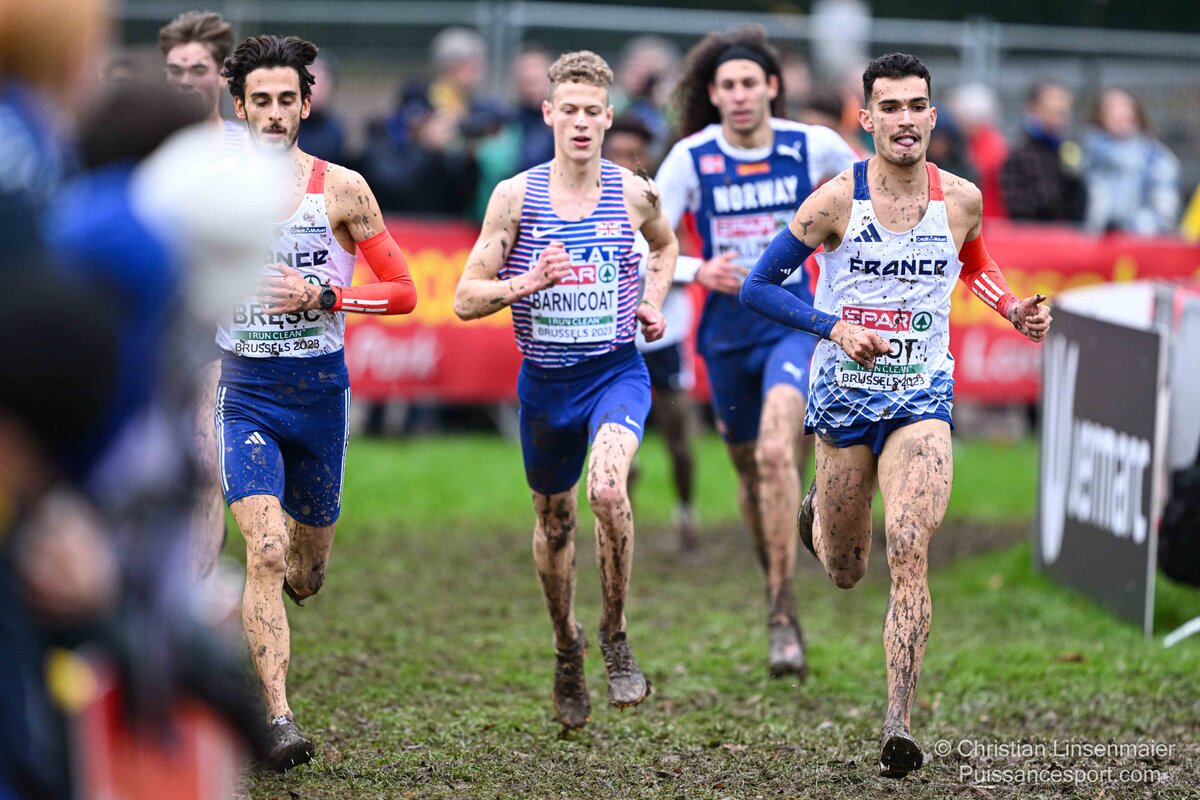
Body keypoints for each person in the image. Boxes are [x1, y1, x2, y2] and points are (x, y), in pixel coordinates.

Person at [740, 52, 1051, 778]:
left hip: (921, 397)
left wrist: (1011, 309)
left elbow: (973, 263)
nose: (905, 120)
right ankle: (819, 517)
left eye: (917, 106)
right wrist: (834, 328)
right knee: (847, 569)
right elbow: (758, 287)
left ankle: (898, 723)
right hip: (844, 398)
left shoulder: (962, 199)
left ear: (933, 117)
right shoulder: (834, 202)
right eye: (890, 107)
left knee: (910, 541)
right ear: (867, 118)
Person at [453, 50, 676, 731]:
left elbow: (665, 247)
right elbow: (464, 298)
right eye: (569, 110)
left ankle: (614, 631)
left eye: (592, 112)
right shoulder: (515, 197)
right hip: (546, 387)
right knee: (554, 524)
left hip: (614, 372)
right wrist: (528, 283)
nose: (580, 123)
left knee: (607, 489)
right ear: (549, 113)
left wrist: (652, 301)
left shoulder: (635, 193)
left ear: (608, 118)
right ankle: (565, 644)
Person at [218, 33, 418, 770]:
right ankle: (276, 718)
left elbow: (404, 291)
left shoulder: (342, 189)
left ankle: (291, 599)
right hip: (244, 391)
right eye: (260, 101)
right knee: (265, 550)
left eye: (286, 101)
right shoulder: (213, 189)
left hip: (320, 395)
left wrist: (324, 295)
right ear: (240, 107)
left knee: (304, 572)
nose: (273, 114)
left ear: (306, 106)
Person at [655, 25, 857, 678]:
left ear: (772, 86)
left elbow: (870, 199)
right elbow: (645, 238)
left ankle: (781, 613)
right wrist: (695, 269)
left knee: (775, 450)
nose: (740, 95)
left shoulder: (812, 145)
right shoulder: (691, 158)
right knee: (750, 471)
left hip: (791, 322)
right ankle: (778, 568)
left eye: (750, 83)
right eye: (728, 86)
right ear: (713, 95)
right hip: (725, 334)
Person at [158, 9, 247, 578]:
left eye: (197, 69)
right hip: (159, 323)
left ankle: (195, 589)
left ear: (221, 75)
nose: (186, 80)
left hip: (228, 330)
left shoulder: (249, 150)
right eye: (175, 70)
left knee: (206, 460)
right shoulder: (148, 143)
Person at [604, 114, 703, 552]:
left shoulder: (659, 202)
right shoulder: (592, 202)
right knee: (616, 441)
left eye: (634, 154)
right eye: (618, 153)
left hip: (664, 336)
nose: (626, 162)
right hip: (614, 338)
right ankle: (620, 525)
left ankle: (686, 512)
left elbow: (678, 257)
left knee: (677, 434)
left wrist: (660, 268)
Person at [1082, 87, 1180, 236]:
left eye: (1125, 106)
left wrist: (1126, 229)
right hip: (1094, 243)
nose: (1119, 112)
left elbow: (1164, 213)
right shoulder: (1088, 157)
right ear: (1100, 116)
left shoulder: (1156, 159)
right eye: (1111, 107)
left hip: (1140, 243)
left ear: (1136, 115)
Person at [1000, 80, 1085, 223]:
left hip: (1066, 233)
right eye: (1050, 110)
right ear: (1033, 109)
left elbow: (1078, 204)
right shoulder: (1019, 153)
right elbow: (1018, 209)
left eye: (1061, 113)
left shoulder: (1068, 151)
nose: (1057, 119)